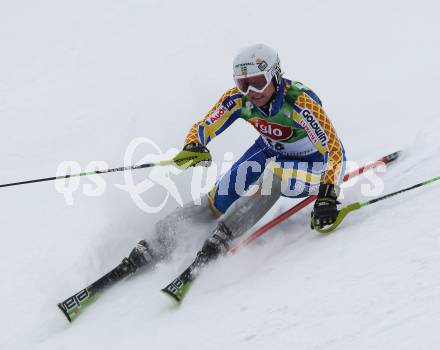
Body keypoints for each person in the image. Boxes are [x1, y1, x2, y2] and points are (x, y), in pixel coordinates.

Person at [125, 43, 346, 273]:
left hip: (317, 164)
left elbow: (334, 149)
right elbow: (206, 125)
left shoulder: (301, 102)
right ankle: (157, 240)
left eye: (258, 82)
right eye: (243, 84)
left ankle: (223, 235)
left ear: (275, 76)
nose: (252, 92)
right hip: (270, 150)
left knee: (275, 175)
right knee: (217, 199)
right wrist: (194, 144)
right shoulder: (239, 100)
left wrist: (327, 193)